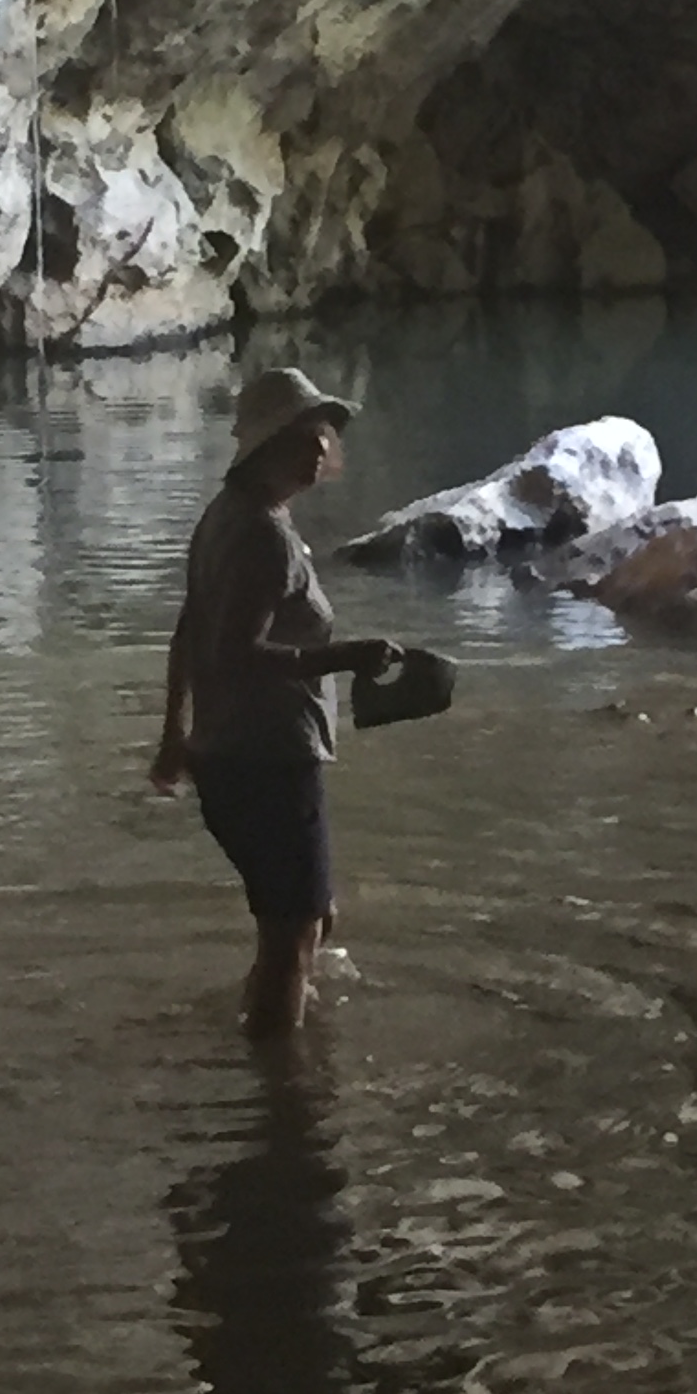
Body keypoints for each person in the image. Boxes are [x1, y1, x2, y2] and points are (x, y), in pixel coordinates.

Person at [152, 367, 401, 1042]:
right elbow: (236, 651)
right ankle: (280, 1098)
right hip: (268, 758)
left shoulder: (225, 516)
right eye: (305, 434)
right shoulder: (262, 534)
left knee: (307, 921)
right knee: (294, 936)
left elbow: (190, 629)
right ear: (269, 445)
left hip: (228, 754)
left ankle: (268, 1029)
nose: (321, 446)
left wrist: (175, 733)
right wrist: (347, 657)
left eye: (322, 430)